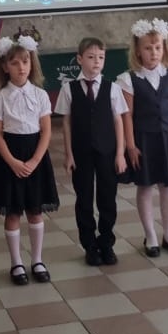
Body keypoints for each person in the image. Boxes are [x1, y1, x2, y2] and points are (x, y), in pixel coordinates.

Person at [0, 35, 59, 285]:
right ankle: (16, 263)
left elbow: (46, 130)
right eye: (14, 63)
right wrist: (13, 162)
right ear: (5, 67)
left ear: (32, 63)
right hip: (10, 157)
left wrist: (35, 160)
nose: (21, 67)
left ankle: (37, 260)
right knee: (13, 213)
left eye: (25, 61)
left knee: (35, 211)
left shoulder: (40, 94)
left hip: (35, 155)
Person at [117, 18, 168, 257]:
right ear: (138, 51)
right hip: (144, 140)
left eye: (158, 47)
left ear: (164, 48)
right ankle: (150, 235)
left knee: (167, 186)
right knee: (146, 186)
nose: (153, 52)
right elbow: (127, 115)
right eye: (148, 48)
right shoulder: (129, 79)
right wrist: (130, 145)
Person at [55, 37, 128, 266]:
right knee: (84, 199)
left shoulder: (112, 88)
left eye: (101, 57)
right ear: (79, 59)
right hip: (81, 152)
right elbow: (66, 123)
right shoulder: (69, 89)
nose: (96, 62)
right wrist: (68, 154)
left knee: (107, 199)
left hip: (108, 152)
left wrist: (120, 153)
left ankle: (106, 243)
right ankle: (90, 245)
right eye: (91, 57)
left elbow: (118, 121)